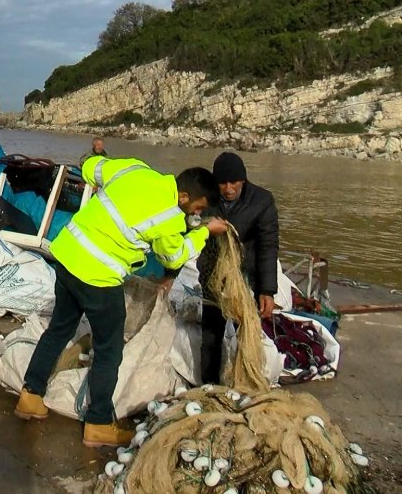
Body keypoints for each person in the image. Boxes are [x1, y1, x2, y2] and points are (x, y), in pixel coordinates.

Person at [14, 156, 228, 447]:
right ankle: (99, 423)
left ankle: (30, 396)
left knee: (59, 329)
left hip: (67, 256)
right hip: (98, 276)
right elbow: (174, 257)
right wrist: (203, 231)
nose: (195, 214)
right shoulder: (170, 218)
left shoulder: (136, 168)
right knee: (109, 350)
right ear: (185, 196)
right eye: (198, 208)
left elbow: (91, 168)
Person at [198, 151, 280, 385]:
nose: (228, 188)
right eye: (222, 183)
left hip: (245, 282)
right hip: (213, 279)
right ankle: (209, 387)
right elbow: (188, 226)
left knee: (246, 335)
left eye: (234, 182)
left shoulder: (262, 201)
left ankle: (244, 382)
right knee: (210, 339)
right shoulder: (207, 200)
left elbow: (268, 247)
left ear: (243, 180)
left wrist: (267, 290)